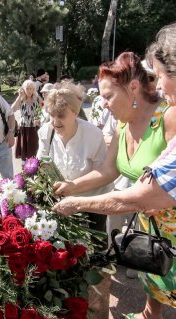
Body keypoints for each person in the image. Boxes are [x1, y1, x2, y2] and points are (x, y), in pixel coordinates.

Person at [53, 19, 176, 319]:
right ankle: (152, 315)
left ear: (132, 89)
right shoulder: (123, 125)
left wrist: (76, 203)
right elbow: (109, 170)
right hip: (152, 219)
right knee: (153, 273)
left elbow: (156, 190)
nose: (102, 104)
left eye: (108, 96)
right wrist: (73, 185)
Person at [37, 80, 112, 231]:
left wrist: (74, 187)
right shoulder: (46, 132)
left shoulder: (93, 135)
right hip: (60, 202)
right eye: (52, 115)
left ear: (76, 113)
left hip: (91, 205)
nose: (55, 122)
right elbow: (40, 164)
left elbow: (102, 174)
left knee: (96, 248)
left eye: (61, 115)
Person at [11, 80, 43, 163]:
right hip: (23, 127)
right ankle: (25, 167)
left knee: (34, 147)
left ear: (34, 89)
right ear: (23, 89)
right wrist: (19, 96)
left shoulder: (36, 99)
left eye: (31, 88)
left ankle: (35, 165)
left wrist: (37, 95)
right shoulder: (21, 99)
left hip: (34, 127)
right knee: (24, 148)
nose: (29, 90)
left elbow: (44, 106)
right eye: (27, 88)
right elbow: (12, 109)